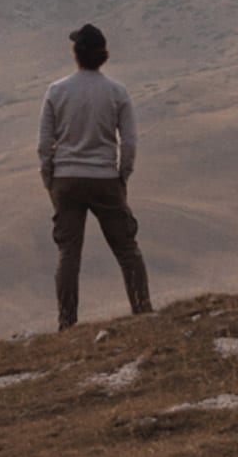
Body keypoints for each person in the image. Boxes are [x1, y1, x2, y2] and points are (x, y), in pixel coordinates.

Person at [38, 23, 153, 331]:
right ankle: (143, 311)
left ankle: (67, 322)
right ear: (103, 55)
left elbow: (44, 144)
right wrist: (122, 177)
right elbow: (128, 142)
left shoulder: (57, 91)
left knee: (68, 253)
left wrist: (50, 179)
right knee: (127, 249)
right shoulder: (117, 92)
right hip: (104, 178)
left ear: (76, 53)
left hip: (66, 178)